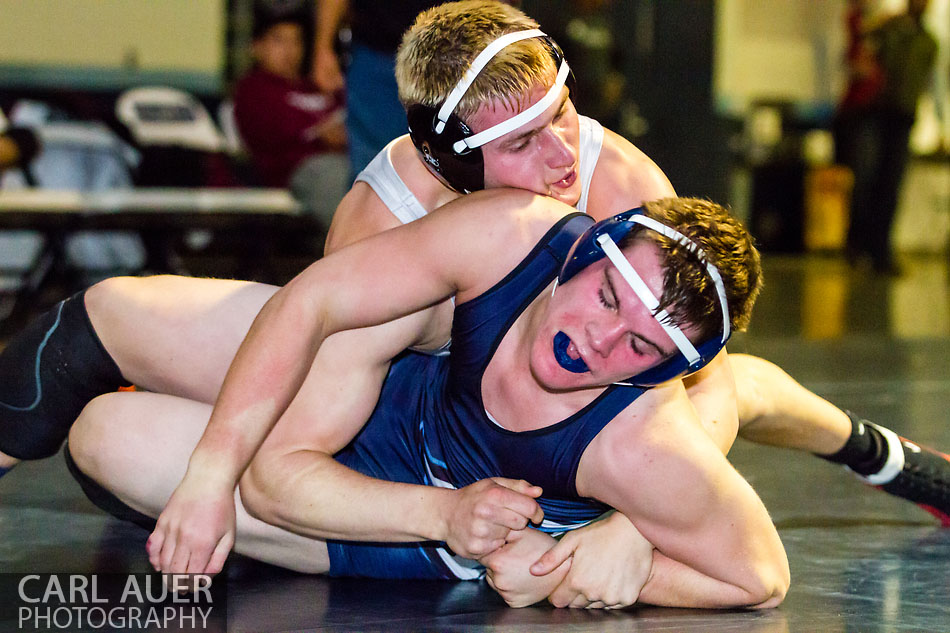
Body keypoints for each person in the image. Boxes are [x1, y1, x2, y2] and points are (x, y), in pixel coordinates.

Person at [0, 0, 947, 605]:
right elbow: (311, 356)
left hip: (531, 425)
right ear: (452, 168)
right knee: (115, 320)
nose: (561, 160)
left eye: (563, 117)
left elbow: (690, 383)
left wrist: (633, 528)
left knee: (724, 383)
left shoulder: (620, 186)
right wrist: (220, 466)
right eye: (524, 146)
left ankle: (876, 452)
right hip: (409, 394)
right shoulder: (391, 219)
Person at [64, 192, 789, 610]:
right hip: (394, 402)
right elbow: (315, 294)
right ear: (585, 254)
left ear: (663, 371)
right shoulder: (509, 235)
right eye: (606, 298)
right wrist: (209, 470)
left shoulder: (642, 446)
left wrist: (579, 561)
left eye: (638, 347)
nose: (598, 343)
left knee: (105, 433)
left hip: (412, 521)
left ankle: (849, 437)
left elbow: (760, 577)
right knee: (120, 309)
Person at [834, 0, 938, 274]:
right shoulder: (889, 29)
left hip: (903, 119)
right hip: (875, 115)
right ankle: (858, 246)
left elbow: (929, 84)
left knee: (890, 186)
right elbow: (858, 49)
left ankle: (880, 250)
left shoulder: (929, 42)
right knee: (867, 181)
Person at [234, 2, 349, 228]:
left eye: (297, 41)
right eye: (279, 40)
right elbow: (270, 135)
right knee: (341, 184)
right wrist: (320, 134)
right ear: (256, 47)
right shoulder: (254, 89)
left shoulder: (318, 86)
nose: (290, 50)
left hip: (345, 160)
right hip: (299, 170)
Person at [311, 0, 447, 178]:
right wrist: (323, 47)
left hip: (447, 54)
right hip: (376, 53)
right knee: (373, 171)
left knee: (448, 167)